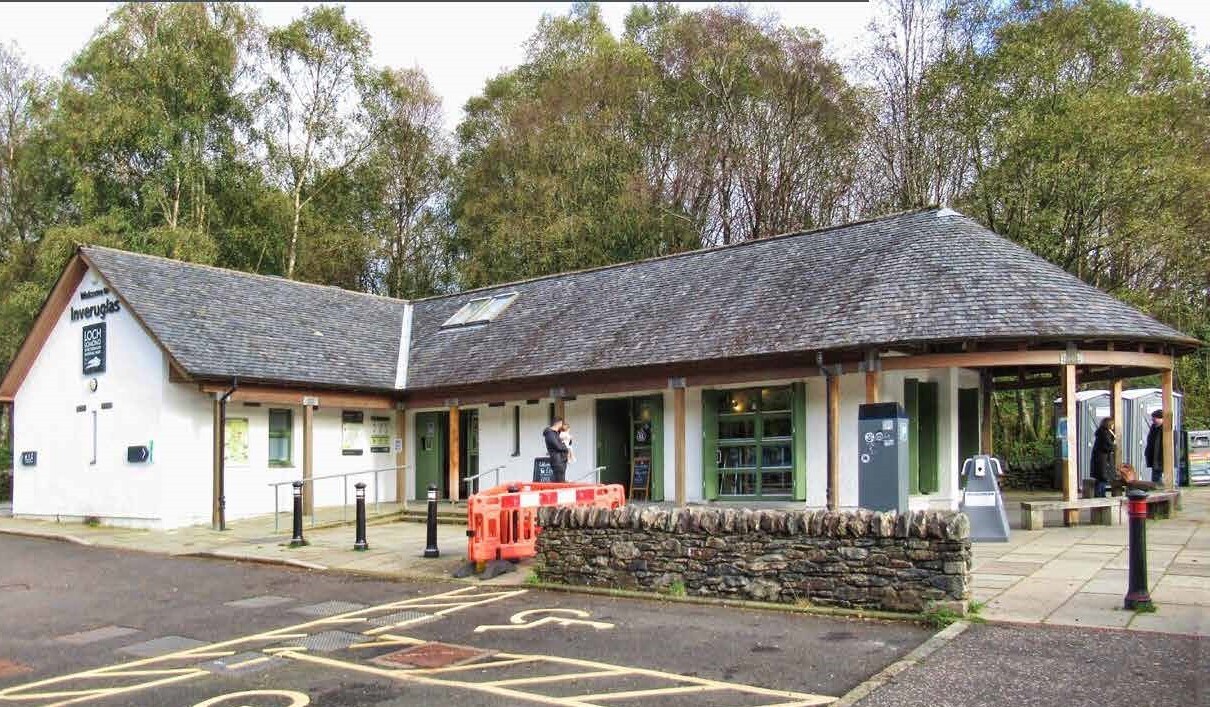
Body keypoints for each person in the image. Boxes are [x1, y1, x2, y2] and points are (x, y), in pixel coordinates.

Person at [1089, 417, 1114, 498]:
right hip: (1102, 459)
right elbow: (1108, 446)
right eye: (1112, 424)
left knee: (1100, 478)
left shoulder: (1101, 432)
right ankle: (1100, 495)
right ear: (1109, 424)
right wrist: (1114, 444)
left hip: (1099, 459)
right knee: (1102, 478)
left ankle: (1099, 494)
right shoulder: (1105, 433)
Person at [543, 418, 570, 482]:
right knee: (559, 480)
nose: (562, 426)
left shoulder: (556, 433)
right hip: (557, 460)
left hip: (561, 459)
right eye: (561, 424)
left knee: (560, 479)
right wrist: (566, 448)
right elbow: (557, 446)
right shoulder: (550, 433)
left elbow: (560, 443)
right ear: (559, 423)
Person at [1144, 409, 1164, 485]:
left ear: (1161, 418)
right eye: (1153, 418)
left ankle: (1159, 486)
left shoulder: (1165, 429)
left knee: (1158, 473)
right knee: (1156, 473)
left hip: (1161, 455)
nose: (1153, 420)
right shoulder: (1153, 427)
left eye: (1155, 418)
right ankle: (1156, 485)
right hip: (1154, 455)